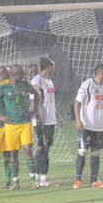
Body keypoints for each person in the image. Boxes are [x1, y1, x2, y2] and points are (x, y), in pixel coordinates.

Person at [0, 64, 40, 190]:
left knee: (27, 149)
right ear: (13, 74)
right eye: (21, 74)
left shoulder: (26, 85)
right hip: (10, 125)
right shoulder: (2, 86)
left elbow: (37, 94)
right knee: (13, 153)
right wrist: (0, 116)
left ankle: (34, 181)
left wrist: (33, 111)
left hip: (25, 123)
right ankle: (15, 181)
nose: (23, 76)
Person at [73, 64, 103, 189]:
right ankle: (78, 180)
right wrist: (78, 120)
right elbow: (77, 103)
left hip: (99, 127)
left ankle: (94, 180)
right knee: (82, 151)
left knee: (95, 152)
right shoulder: (87, 84)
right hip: (86, 125)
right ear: (102, 74)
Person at [31, 58, 64, 187]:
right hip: (41, 121)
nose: (53, 69)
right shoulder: (36, 81)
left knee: (47, 149)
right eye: (53, 66)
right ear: (49, 66)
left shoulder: (49, 81)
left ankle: (43, 179)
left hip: (50, 121)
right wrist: (37, 117)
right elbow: (32, 101)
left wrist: (57, 116)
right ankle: (36, 179)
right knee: (41, 148)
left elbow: (50, 102)